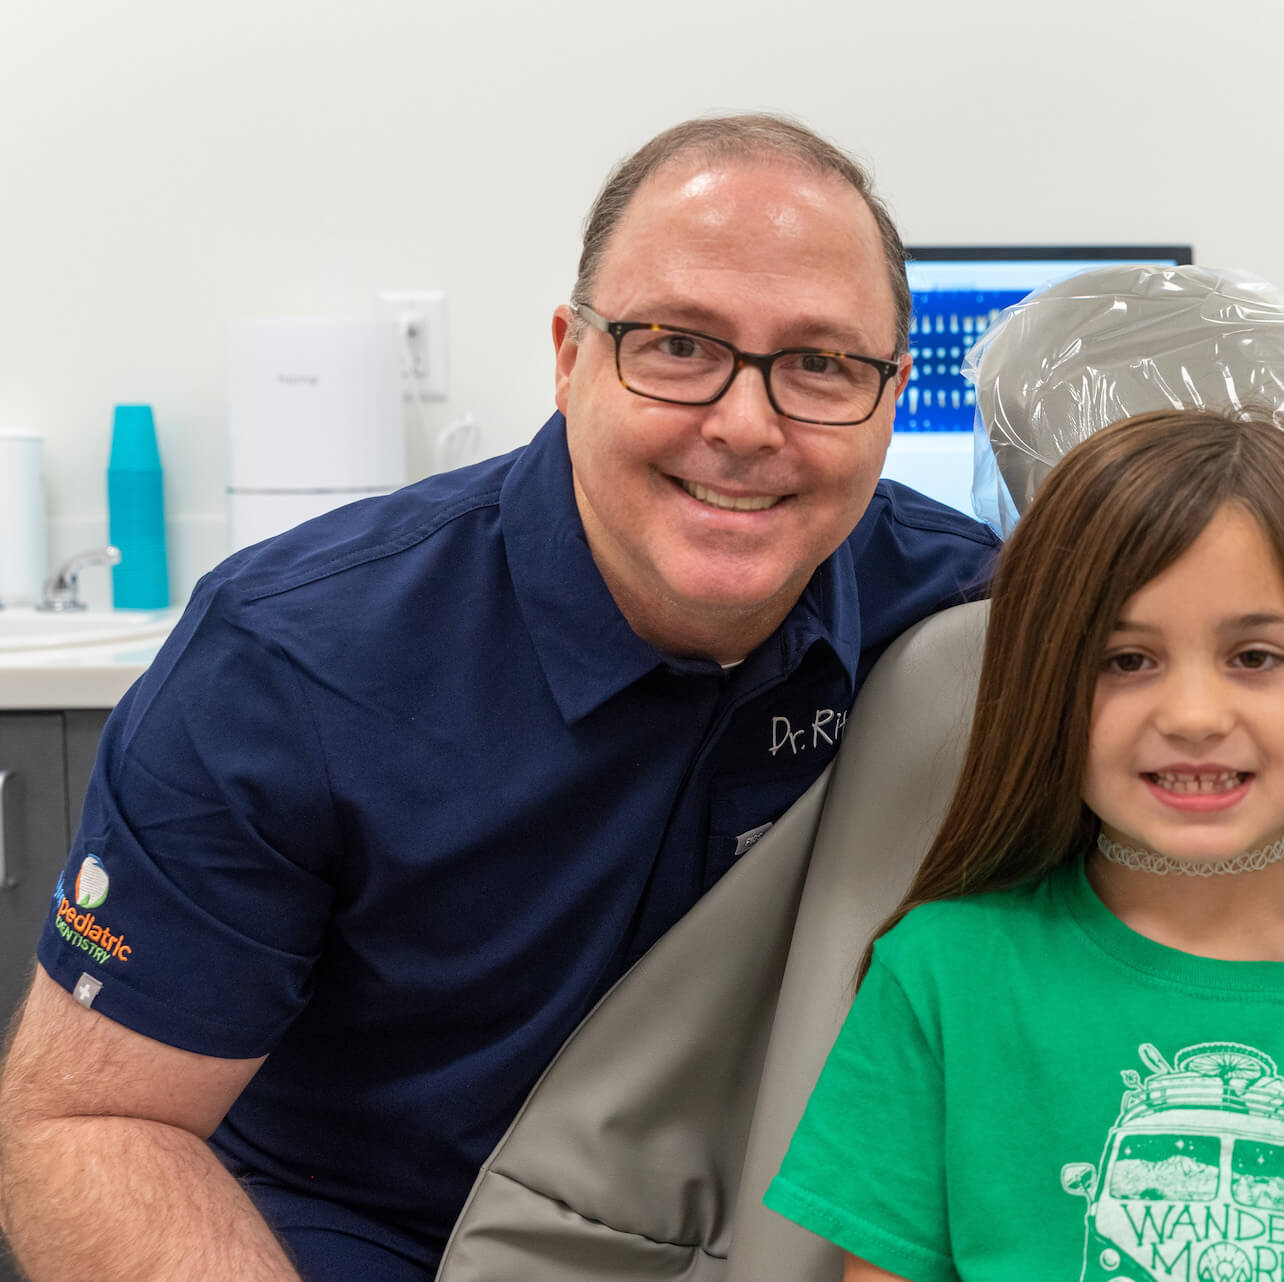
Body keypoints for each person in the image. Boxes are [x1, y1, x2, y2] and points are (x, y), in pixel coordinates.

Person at [0, 114, 998, 1282]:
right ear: (570, 357)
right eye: (679, 345)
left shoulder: (962, 622)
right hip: (375, 1235)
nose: (745, 423)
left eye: (821, 364)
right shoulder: (289, 664)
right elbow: (85, 1125)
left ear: (888, 401)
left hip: (782, 1231)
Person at [762, 408, 1284, 1281]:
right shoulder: (941, 980)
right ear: (1044, 690)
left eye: (1254, 656)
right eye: (1126, 661)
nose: (1196, 718)